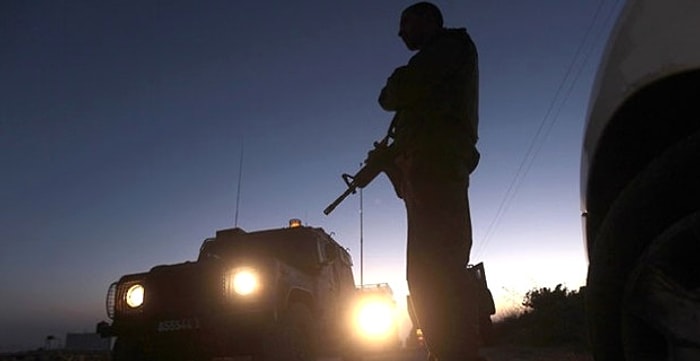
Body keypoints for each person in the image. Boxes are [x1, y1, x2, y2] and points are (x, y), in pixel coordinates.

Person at [377, 2, 483, 361]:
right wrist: (392, 163)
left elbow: (393, 94)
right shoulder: (440, 58)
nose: (400, 33)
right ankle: (448, 351)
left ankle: (458, 353)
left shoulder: (449, 48)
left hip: (437, 166)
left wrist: (396, 81)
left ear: (430, 21)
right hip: (426, 170)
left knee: (438, 271)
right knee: (425, 275)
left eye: (407, 24)